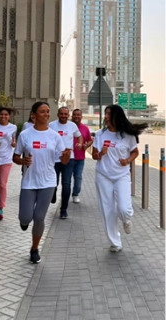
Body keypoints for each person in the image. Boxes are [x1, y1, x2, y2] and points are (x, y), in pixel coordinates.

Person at [12, 102, 68, 264]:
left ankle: (34, 249)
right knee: (26, 216)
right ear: (34, 115)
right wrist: (23, 161)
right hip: (29, 181)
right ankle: (24, 221)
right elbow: (15, 157)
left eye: (48, 112)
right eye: (42, 112)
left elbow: (63, 161)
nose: (46, 114)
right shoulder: (25, 135)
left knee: (39, 217)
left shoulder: (55, 136)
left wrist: (66, 155)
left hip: (48, 181)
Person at [89, 104, 145, 252]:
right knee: (107, 210)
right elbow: (94, 155)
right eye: (105, 113)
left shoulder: (127, 135)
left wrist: (127, 161)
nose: (106, 116)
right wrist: (100, 153)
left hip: (121, 175)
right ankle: (115, 242)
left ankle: (126, 219)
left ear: (116, 116)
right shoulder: (100, 134)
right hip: (103, 175)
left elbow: (135, 152)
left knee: (124, 208)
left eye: (109, 114)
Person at [50, 105, 78, 219]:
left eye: (65, 114)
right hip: (55, 159)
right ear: (57, 115)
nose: (63, 116)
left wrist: (80, 144)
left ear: (68, 115)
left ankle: (63, 210)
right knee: (53, 183)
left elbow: (79, 136)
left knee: (66, 185)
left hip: (69, 159)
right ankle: (53, 194)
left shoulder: (72, 126)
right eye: (61, 114)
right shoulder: (51, 125)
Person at [68, 108, 91, 205]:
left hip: (80, 157)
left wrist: (86, 145)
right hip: (68, 158)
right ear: (72, 116)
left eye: (78, 115)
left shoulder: (85, 128)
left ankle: (75, 194)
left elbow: (90, 140)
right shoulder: (68, 126)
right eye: (75, 115)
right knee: (67, 179)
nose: (76, 116)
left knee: (78, 177)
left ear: (81, 117)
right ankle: (65, 195)